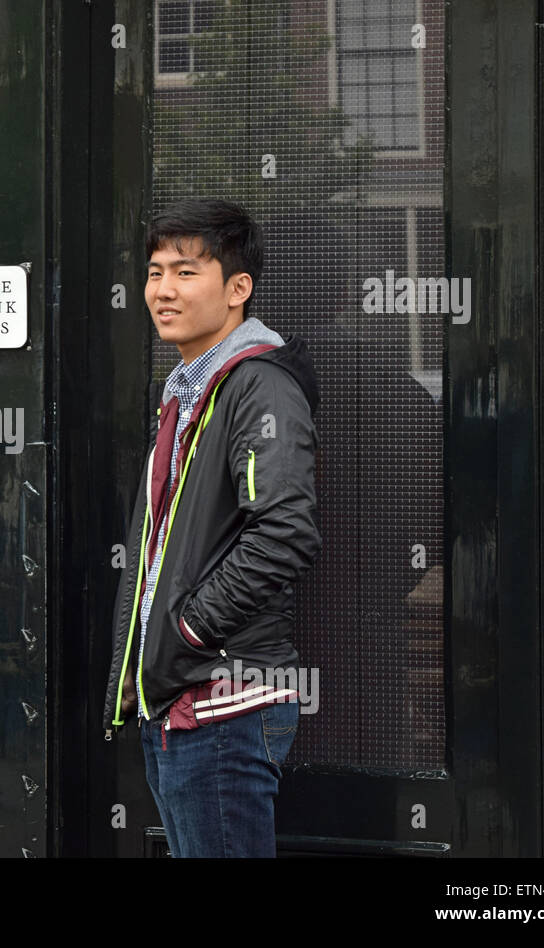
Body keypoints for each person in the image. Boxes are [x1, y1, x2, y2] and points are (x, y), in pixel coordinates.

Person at [101, 198, 322, 857]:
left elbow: (283, 532)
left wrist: (189, 628)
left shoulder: (259, 385)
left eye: (186, 272)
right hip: (179, 699)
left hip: (223, 704)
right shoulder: (191, 388)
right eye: (154, 271)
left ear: (237, 288)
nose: (162, 290)